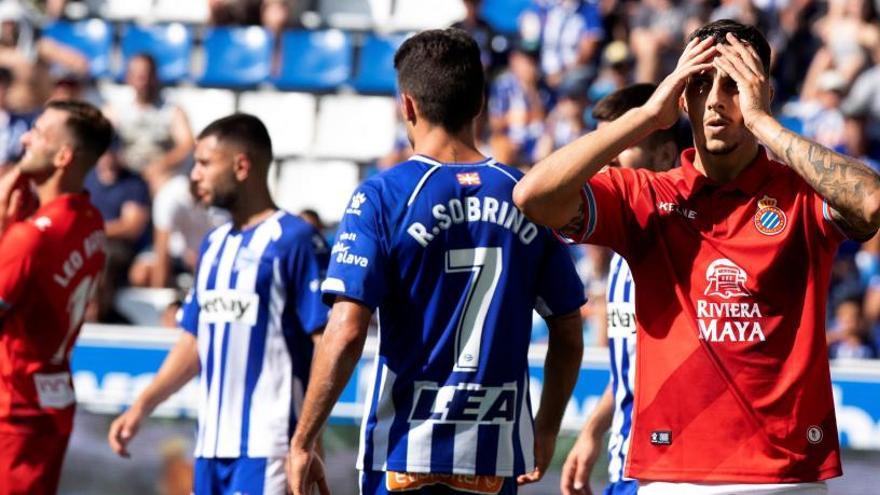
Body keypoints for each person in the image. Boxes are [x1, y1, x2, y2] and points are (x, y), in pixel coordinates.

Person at [515, 19, 880, 493]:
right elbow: (531, 197)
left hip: (785, 477)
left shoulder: (801, 194)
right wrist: (647, 114)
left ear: (761, 91)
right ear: (682, 97)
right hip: (673, 477)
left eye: (732, 85)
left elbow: (872, 201)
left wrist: (765, 123)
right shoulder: (645, 194)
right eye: (700, 84)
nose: (714, 101)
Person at [288, 28, 586, 495]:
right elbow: (568, 332)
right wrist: (545, 429)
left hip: (404, 453)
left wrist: (303, 441)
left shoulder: (382, 196)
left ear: (407, 106)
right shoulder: (528, 195)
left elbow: (345, 329)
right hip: (494, 456)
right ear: (481, 104)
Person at [107, 113, 330, 495]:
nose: (194, 175)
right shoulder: (213, 245)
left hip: (269, 450)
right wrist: (142, 404)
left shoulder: (294, 240)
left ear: (242, 165)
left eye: (205, 163)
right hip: (209, 449)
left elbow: (324, 343)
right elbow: (195, 340)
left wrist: (306, 439)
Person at [558, 83, 678, 495]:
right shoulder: (622, 253)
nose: (602, 169)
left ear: (665, 155)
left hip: (665, 471)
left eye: (618, 151)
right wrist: (593, 430)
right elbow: (633, 364)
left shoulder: (680, 247)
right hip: (622, 460)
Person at [0, 99, 112, 495]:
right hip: (51, 400)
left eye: (39, 133)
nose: (26, 137)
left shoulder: (30, 238)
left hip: (12, 410)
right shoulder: (92, 221)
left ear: (63, 156)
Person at [103, 53, 194, 193]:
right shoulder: (116, 109)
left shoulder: (172, 110)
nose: (143, 81)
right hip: (124, 171)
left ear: (155, 77)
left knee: (163, 187)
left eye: (147, 75)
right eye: (138, 76)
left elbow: (187, 144)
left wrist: (161, 165)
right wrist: (111, 161)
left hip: (160, 172)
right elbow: (101, 138)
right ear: (128, 78)